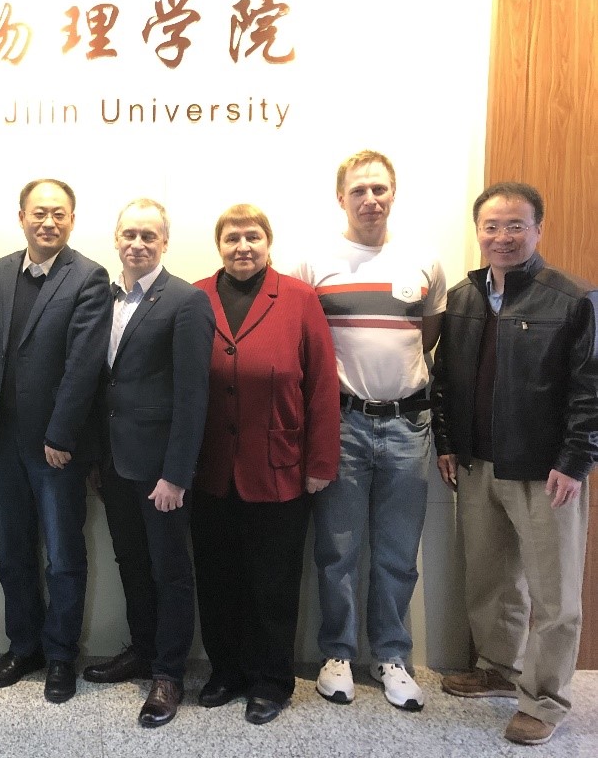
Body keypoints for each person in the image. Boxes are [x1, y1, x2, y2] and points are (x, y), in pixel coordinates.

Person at [432, 182, 597, 746]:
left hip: (546, 470)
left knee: (555, 596)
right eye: (492, 226)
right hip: (478, 462)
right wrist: (448, 442)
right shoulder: (463, 297)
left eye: (515, 225)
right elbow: (446, 380)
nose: (502, 237)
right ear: (478, 232)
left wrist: (575, 460)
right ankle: (498, 668)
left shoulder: (573, 298)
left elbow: (592, 389)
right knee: (490, 578)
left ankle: (545, 700)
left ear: (538, 230)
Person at [292, 149, 445, 712]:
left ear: (393, 193)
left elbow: (427, 336)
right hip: (342, 425)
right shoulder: (313, 264)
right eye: (359, 190)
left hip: (408, 425)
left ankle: (391, 657)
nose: (370, 199)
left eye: (379, 189)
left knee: (398, 552)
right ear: (342, 197)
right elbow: (305, 344)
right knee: (337, 549)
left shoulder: (424, 262)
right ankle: (336, 654)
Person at [192, 204, 340, 724]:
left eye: (252, 236)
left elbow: (322, 384)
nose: (242, 246)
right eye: (231, 237)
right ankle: (226, 671)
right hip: (209, 469)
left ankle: (271, 680)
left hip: (280, 468)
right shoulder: (196, 297)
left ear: (268, 242)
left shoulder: (298, 298)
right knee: (216, 577)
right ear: (219, 245)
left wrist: (321, 462)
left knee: (273, 582)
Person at [0, 178, 110, 704]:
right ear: (21, 216)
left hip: (56, 447)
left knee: (63, 557)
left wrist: (62, 434)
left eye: (59, 214)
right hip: (1, 442)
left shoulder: (89, 276)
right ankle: (23, 646)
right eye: (40, 212)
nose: (49, 222)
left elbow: (84, 366)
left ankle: (61, 655)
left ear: (72, 219)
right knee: (12, 552)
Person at [84, 198, 213, 728]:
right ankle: (141, 650)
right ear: (116, 238)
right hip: (114, 464)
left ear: (164, 242)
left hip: (161, 471)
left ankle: (168, 673)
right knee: (131, 563)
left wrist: (176, 474)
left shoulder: (186, 301)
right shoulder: (104, 297)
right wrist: (96, 457)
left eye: (148, 236)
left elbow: (193, 395)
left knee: (170, 571)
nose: (137, 244)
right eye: (129, 234)